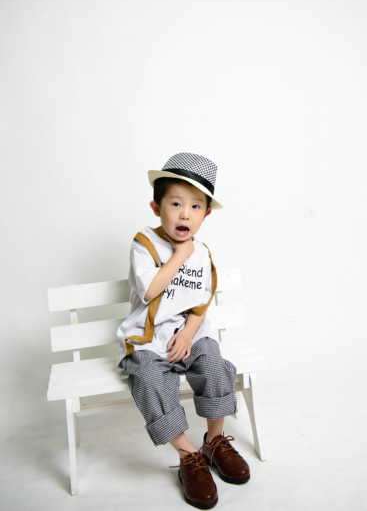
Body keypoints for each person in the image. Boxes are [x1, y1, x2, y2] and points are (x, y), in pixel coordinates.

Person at [117, 152, 250, 509]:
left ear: (206, 214)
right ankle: (189, 455)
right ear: (156, 207)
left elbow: (201, 301)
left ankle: (214, 442)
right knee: (148, 379)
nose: (185, 214)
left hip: (189, 333)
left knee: (214, 365)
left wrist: (190, 333)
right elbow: (150, 291)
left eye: (195, 206)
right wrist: (180, 253)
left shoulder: (202, 252)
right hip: (149, 339)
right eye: (175, 203)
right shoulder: (144, 243)